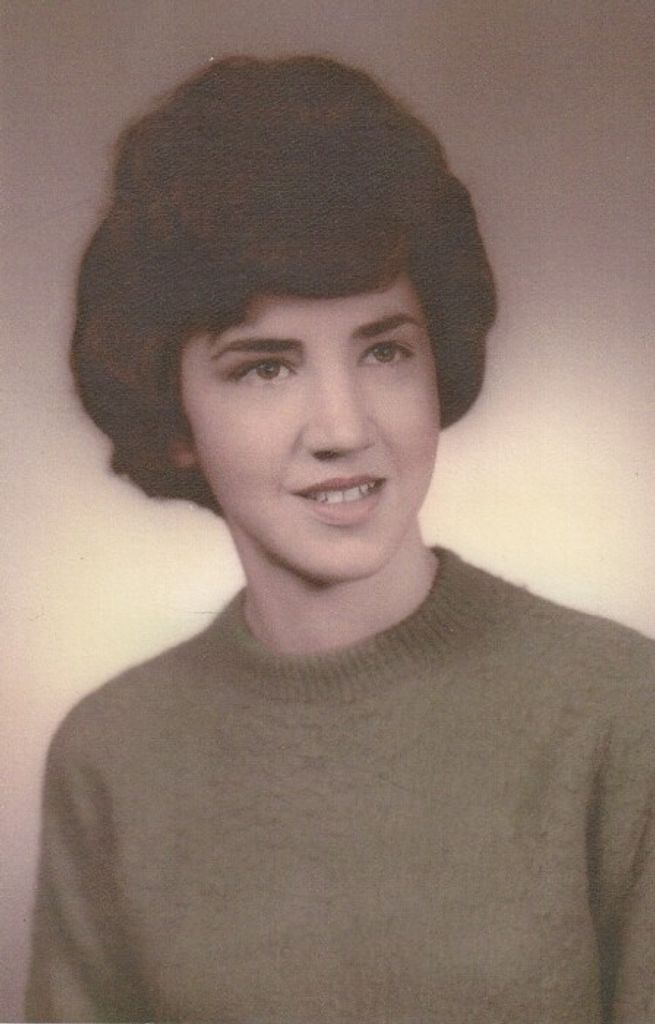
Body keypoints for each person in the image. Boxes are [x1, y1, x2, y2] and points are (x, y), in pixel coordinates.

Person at [26, 55, 655, 1024]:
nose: (341, 426)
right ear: (174, 416)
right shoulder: (111, 756)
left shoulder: (617, 712)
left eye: (384, 350)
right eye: (264, 367)